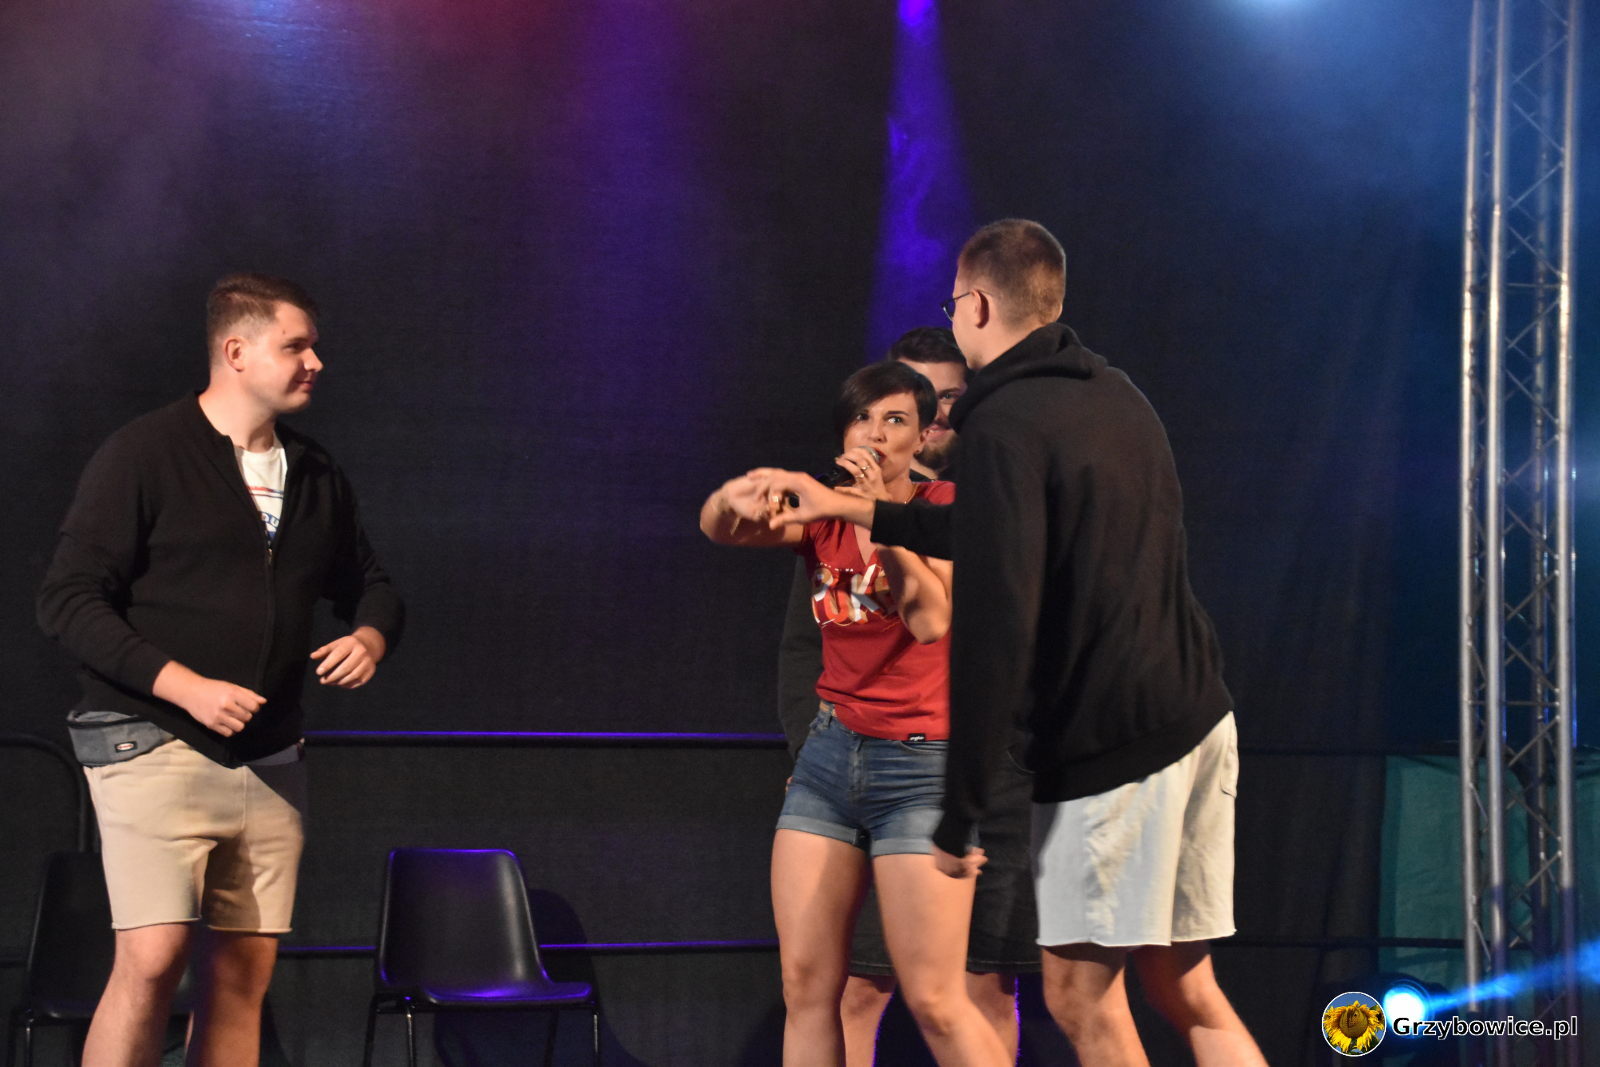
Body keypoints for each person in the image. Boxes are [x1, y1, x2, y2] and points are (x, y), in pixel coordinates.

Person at [752, 220, 1267, 1066]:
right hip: (1196, 715)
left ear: (979, 305)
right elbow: (989, 527)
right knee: (1188, 990)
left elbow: (995, 622)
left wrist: (960, 808)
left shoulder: (1004, 422)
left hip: (1113, 741)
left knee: (1078, 998)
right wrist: (853, 507)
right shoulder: (1112, 393)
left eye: (953, 303)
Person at [37, 273, 404, 1067]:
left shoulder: (313, 472)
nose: (315, 362)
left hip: (269, 756)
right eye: (296, 346)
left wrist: (371, 637)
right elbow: (66, 600)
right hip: (153, 739)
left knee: (241, 978)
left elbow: (371, 582)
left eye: (313, 347)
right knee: (153, 957)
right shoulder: (145, 453)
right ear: (236, 352)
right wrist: (184, 684)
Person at [702, 361, 1008, 1067]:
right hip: (830, 758)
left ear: (924, 436)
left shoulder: (948, 505)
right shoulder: (822, 509)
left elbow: (930, 620)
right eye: (862, 418)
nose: (875, 433)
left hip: (922, 765)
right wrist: (729, 498)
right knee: (806, 985)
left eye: (895, 419)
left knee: (935, 998)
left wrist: (880, 518)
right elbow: (724, 530)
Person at [775, 329, 1037, 1064]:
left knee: (977, 987)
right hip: (854, 758)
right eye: (880, 411)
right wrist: (812, 751)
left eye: (942, 399)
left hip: (979, 768)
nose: (929, 414)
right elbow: (806, 644)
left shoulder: (987, 497)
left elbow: (960, 622)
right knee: (849, 984)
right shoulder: (832, 513)